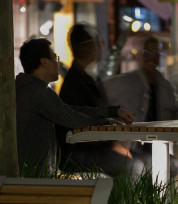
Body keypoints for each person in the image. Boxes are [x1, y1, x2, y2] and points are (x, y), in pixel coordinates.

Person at [16, 38, 133, 176]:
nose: (58, 63)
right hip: (34, 178)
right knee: (114, 172)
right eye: (55, 57)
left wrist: (112, 112)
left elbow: (70, 109)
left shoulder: (28, 88)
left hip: (32, 174)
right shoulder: (37, 92)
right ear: (44, 62)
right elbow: (72, 118)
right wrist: (106, 121)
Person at [101, 36, 178, 178]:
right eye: (147, 53)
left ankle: (155, 199)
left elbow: (176, 110)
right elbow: (98, 107)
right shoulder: (120, 83)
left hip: (154, 148)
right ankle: (140, 199)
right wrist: (114, 144)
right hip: (126, 149)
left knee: (173, 164)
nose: (151, 58)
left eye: (156, 54)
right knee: (142, 166)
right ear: (139, 56)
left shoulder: (164, 87)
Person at [55, 23, 142, 180]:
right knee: (134, 166)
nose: (101, 46)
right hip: (78, 153)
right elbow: (85, 124)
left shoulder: (84, 78)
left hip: (90, 147)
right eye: (97, 41)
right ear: (87, 47)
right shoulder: (76, 83)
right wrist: (113, 145)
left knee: (148, 161)